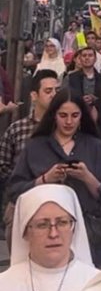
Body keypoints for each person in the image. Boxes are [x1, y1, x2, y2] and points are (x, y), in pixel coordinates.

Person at [6, 90, 101, 268]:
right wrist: (44, 179)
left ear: (82, 117)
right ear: (54, 116)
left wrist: (87, 177)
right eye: (63, 115)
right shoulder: (36, 146)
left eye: (75, 115)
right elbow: (14, 190)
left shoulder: (93, 145)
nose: (69, 121)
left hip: (87, 232)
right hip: (45, 234)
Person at [0, 70, 59, 207]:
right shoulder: (17, 129)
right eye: (48, 91)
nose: (54, 95)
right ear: (34, 95)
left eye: (57, 90)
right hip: (20, 200)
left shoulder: (66, 128)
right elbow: (3, 166)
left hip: (55, 200)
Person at [65, 47, 101, 112]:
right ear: (80, 59)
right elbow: (63, 96)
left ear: (95, 59)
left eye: (90, 55)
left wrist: (95, 99)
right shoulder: (70, 77)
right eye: (84, 55)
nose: (87, 58)